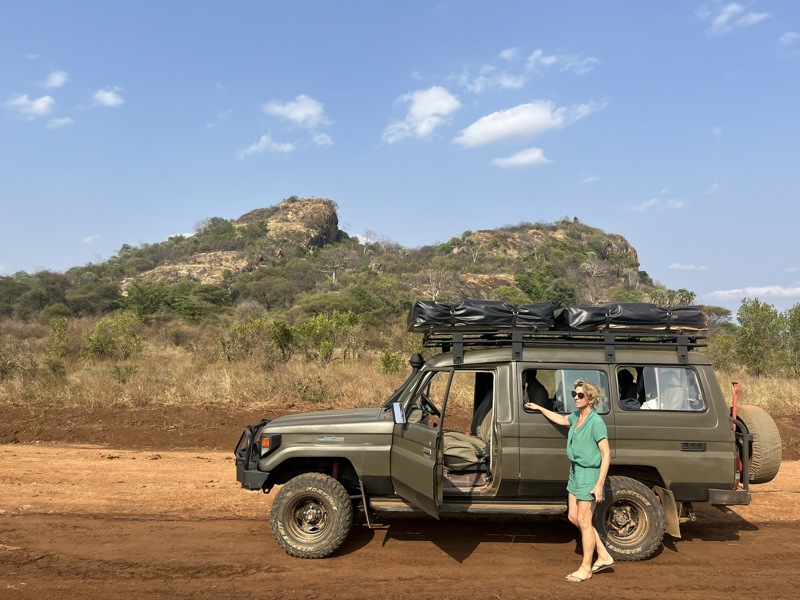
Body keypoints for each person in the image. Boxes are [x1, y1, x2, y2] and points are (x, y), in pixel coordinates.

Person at [524, 379, 614, 583]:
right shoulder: (576, 416)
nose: (575, 397)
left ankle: (586, 568)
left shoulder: (596, 422)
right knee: (574, 517)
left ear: (590, 399)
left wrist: (599, 484)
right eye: (574, 393)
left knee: (584, 521)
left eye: (580, 395)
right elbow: (561, 419)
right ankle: (604, 555)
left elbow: (606, 455)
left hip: (588, 474)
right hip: (575, 472)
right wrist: (539, 407)